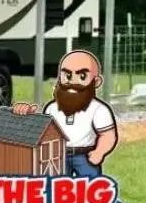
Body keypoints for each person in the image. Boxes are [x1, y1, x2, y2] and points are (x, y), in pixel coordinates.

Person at [12, 49, 118, 178]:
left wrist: (99, 152)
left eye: (82, 76)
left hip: (86, 157)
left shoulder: (98, 109)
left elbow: (108, 135)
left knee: (91, 190)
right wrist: (26, 114)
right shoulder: (52, 108)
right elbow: (44, 132)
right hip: (57, 156)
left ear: (96, 82)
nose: (72, 82)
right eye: (67, 76)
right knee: (55, 189)